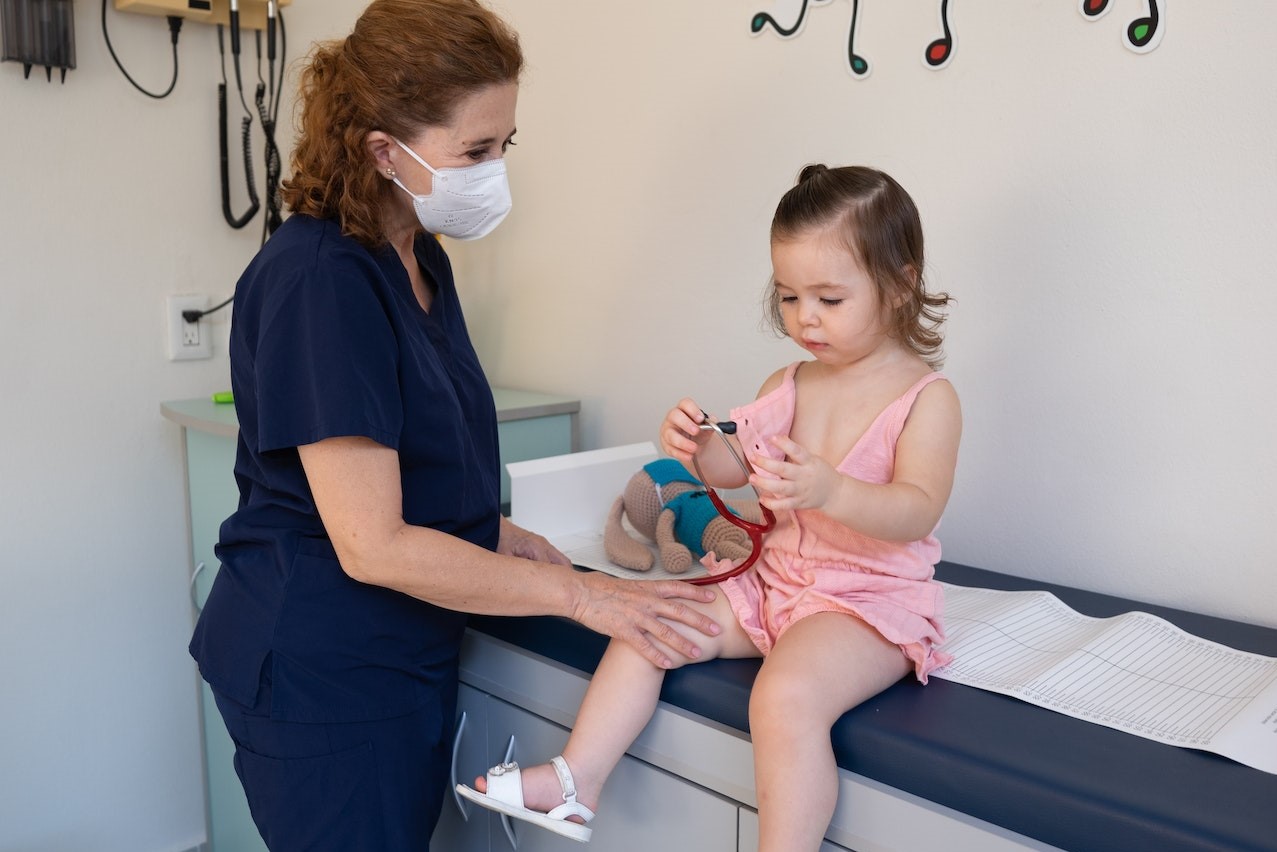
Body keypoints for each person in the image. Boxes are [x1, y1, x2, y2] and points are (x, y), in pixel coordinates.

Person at [187, 2, 722, 849]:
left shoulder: (417, 252)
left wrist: (493, 530)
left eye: (502, 146)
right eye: (474, 151)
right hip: (322, 666)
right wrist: (587, 596)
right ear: (380, 150)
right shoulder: (321, 281)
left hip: (395, 646)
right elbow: (373, 544)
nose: (493, 171)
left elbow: (414, 455)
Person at [458, 164, 963, 851]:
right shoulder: (788, 382)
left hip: (863, 600)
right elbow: (740, 474)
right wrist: (701, 450)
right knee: (651, 621)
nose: (804, 317)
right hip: (776, 578)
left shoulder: (924, 397)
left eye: (828, 298)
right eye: (788, 297)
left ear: (899, 284)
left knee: (784, 698)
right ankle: (576, 782)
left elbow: (916, 509)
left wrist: (833, 492)